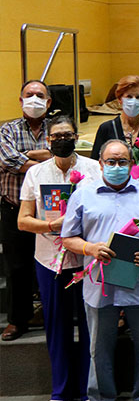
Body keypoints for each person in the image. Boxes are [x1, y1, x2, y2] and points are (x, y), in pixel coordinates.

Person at [60, 139, 139, 401]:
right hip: (100, 284)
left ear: (132, 164)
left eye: (123, 161)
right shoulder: (83, 195)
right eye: (111, 161)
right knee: (99, 347)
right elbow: (68, 237)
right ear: (100, 164)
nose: (117, 166)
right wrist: (90, 248)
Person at [18, 115, 102, 401]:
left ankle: (88, 388)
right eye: (56, 136)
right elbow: (23, 221)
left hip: (86, 259)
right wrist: (54, 226)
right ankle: (61, 389)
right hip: (49, 260)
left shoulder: (94, 169)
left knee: (90, 326)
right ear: (48, 140)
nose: (62, 140)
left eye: (67, 134)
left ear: (76, 136)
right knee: (57, 326)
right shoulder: (36, 174)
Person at [0, 79, 52, 341]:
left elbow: (63, 156)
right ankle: (17, 320)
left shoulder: (57, 127)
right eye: (29, 95)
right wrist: (45, 155)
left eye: (39, 95)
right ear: (21, 101)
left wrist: (27, 156)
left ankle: (50, 314)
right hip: (13, 208)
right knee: (17, 267)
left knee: (53, 264)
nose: (34, 99)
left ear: (48, 101)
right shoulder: (6, 129)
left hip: (50, 212)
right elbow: (9, 161)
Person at [90, 75, 139, 183]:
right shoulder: (106, 128)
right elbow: (95, 165)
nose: (133, 101)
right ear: (120, 99)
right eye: (129, 97)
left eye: (138, 97)